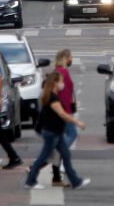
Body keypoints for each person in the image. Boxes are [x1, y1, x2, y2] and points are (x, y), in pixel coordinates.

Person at [24, 71, 90, 190]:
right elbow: (62, 114)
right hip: (51, 133)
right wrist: (77, 122)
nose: (62, 84)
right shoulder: (52, 98)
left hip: (56, 132)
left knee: (66, 155)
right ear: (55, 83)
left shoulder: (50, 95)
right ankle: (30, 181)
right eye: (61, 81)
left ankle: (76, 182)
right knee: (43, 157)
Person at [51, 49, 78, 187]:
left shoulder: (56, 71)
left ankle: (56, 164)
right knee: (72, 134)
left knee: (65, 137)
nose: (71, 59)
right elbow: (65, 94)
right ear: (66, 58)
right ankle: (57, 154)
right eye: (71, 57)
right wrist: (67, 112)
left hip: (60, 110)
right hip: (64, 110)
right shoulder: (63, 72)